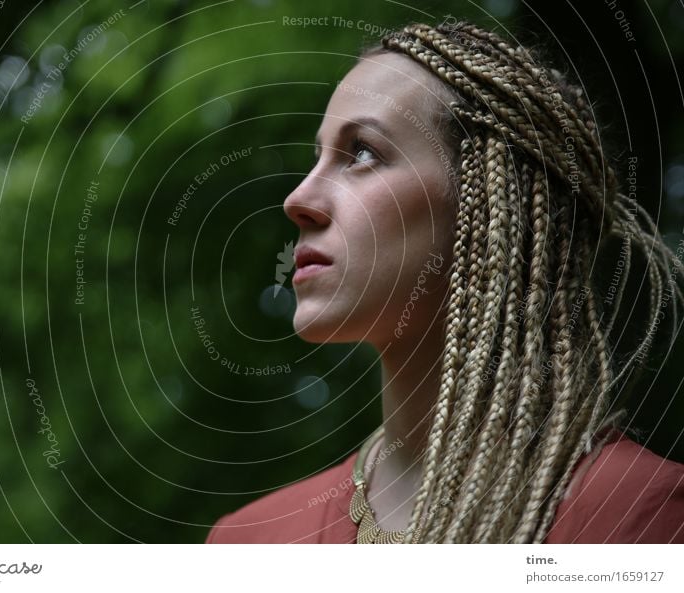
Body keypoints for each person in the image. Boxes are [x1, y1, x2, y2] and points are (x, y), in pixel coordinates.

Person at [205, 20, 684, 543]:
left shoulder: (634, 514)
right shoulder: (248, 541)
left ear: (489, 202)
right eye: (316, 158)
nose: (297, 199)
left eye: (362, 153)